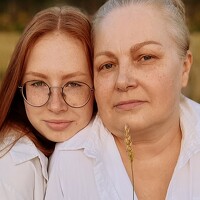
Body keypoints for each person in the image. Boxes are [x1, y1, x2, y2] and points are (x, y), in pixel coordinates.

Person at [45, 0, 200, 199]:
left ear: (184, 68)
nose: (123, 81)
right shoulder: (70, 161)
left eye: (145, 57)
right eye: (107, 65)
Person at [0, 5, 94, 200]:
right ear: (19, 85)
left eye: (73, 84)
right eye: (38, 83)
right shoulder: (14, 169)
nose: (55, 106)